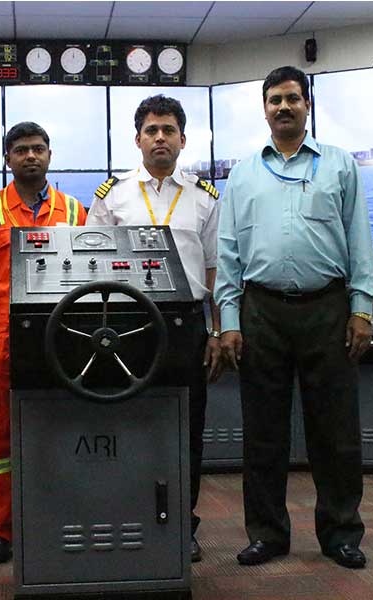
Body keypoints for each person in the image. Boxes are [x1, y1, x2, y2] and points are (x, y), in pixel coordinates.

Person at [214, 66, 373, 569]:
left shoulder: (339, 165)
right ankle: (267, 533)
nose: (283, 107)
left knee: (336, 431)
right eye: (274, 100)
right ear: (263, 109)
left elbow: (359, 240)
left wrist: (362, 308)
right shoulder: (242, 173)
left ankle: (341, 534)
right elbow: (228, 252)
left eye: (292, 99)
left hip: (327, 309)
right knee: (263, 432)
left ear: (308, 106)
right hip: (261, 310)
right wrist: (229, 319)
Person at [86, 95, 223, 563]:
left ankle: (184, 524)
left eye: (168, 129)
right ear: (138, 139)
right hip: (126, 329)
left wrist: (220, 332)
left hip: (186, 326)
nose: (160, 137)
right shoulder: (114, 196)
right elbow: (92, 268)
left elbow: (214, 270)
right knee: (126, 426)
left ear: (183, 140)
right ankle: (128, 515)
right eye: (151, 130)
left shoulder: (205, 198)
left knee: (187, 428)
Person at [0, 121, 87, 564]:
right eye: (20, 150)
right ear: (7, 159)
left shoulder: (75, 212)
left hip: (62, 334)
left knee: (59, 428)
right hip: (1, 333)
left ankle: (55, 520)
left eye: (37, 149)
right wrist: (0, 313)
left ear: (50, 155)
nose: (30, 156)